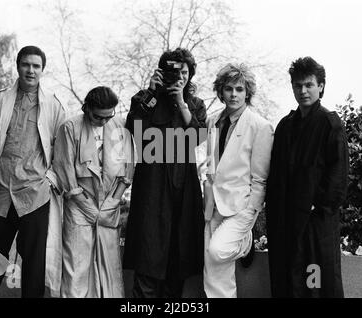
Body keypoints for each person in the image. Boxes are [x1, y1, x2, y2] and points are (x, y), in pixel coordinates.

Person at [0, 45, 66, 298]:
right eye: (26, 64)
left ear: (43, 70)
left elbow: (64, 151)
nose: (30, 70)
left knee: (34, 266)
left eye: (36, 66)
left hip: (35, 195)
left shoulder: (54, 106)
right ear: (18, 66)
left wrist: (50, 180)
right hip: (0, 192)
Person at [123, 48, 207, 298]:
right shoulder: (145, 99)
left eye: (184, 72)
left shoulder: (195, 104)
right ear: (162, 72)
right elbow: (134, 129)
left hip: (183, 187)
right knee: (148, 262)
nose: (179, 77)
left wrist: (181, 102)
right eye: (174, 71)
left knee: (177, 265)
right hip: (152, 187)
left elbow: (198, 137)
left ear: (190, 74)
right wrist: (151, 93)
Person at [266, 56, 348, 298]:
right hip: (285, 222)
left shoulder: (330, 124)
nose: (303, 91)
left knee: (315, 283)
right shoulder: (285, 126)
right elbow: (275, 175)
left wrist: (317, 207)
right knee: (287, 282)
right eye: (298, 85)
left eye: (309, 85)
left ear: (320, 86)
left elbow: (338, 175)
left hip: (315, 225)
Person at [53, 86, 135, 298]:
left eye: (109, 116)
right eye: (99, 117)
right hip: (80, 204)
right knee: (77, 267)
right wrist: (86, 205)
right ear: (87, 108)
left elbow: (127, 169)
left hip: (110, 204)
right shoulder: (70, 127)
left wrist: (113, 202)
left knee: (110, 267)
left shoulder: (119, 126)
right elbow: (65, 169)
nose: (104, 122)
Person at [202, 63, 274, 298]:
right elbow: (210, 163)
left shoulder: (260, 126)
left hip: (240, 205)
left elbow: (260, 178)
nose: (234, 94)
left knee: (217, 251)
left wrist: (251, 210)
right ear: (221, 91)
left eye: (240, 89)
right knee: (214, 271)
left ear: (247, 93)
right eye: (229, 89)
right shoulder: (212, 122)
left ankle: (245, 242)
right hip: (214, 203)